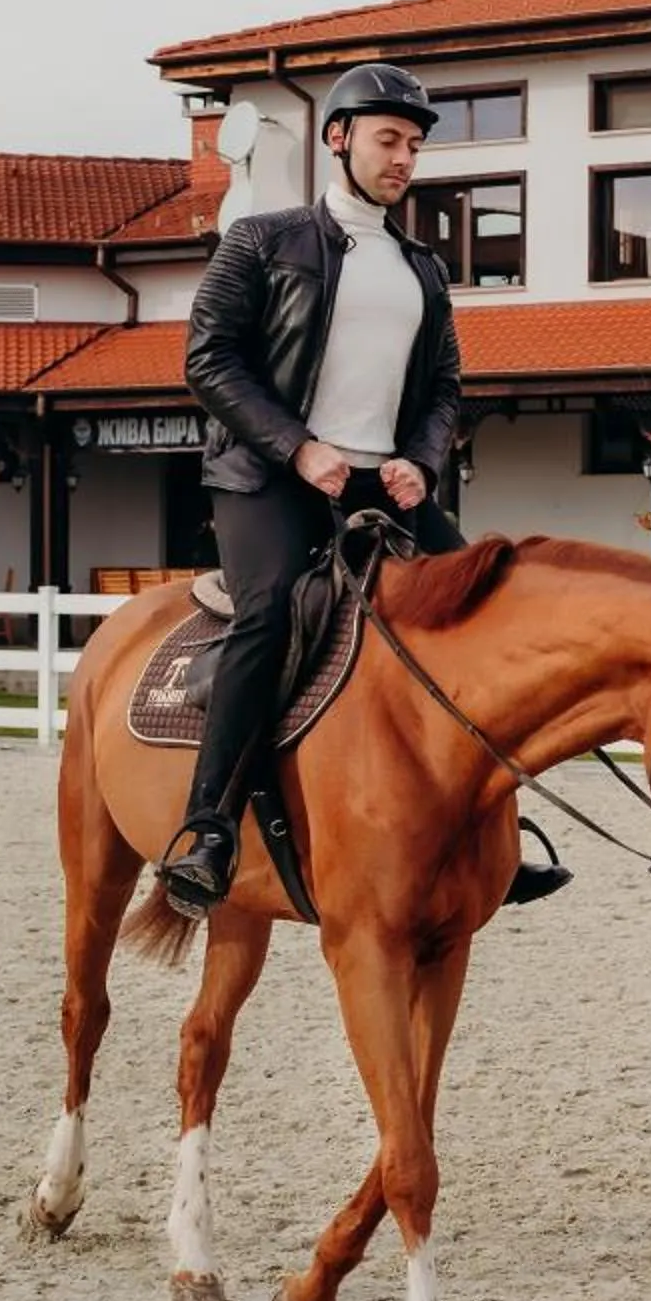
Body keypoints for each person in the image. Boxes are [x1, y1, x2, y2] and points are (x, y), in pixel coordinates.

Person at [158, 61, 469, 918]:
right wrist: (298, 448)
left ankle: (485, 832)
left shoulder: (423, 269)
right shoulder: (261, 240)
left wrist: (422, 460)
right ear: (339, 140)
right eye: (388, 140)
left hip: (385, 480)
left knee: (476, 602)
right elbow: (208, 360)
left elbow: (444, 386)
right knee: (270, 613)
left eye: (413, 144)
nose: (403, 158)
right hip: (268, 475)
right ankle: (207, 828)